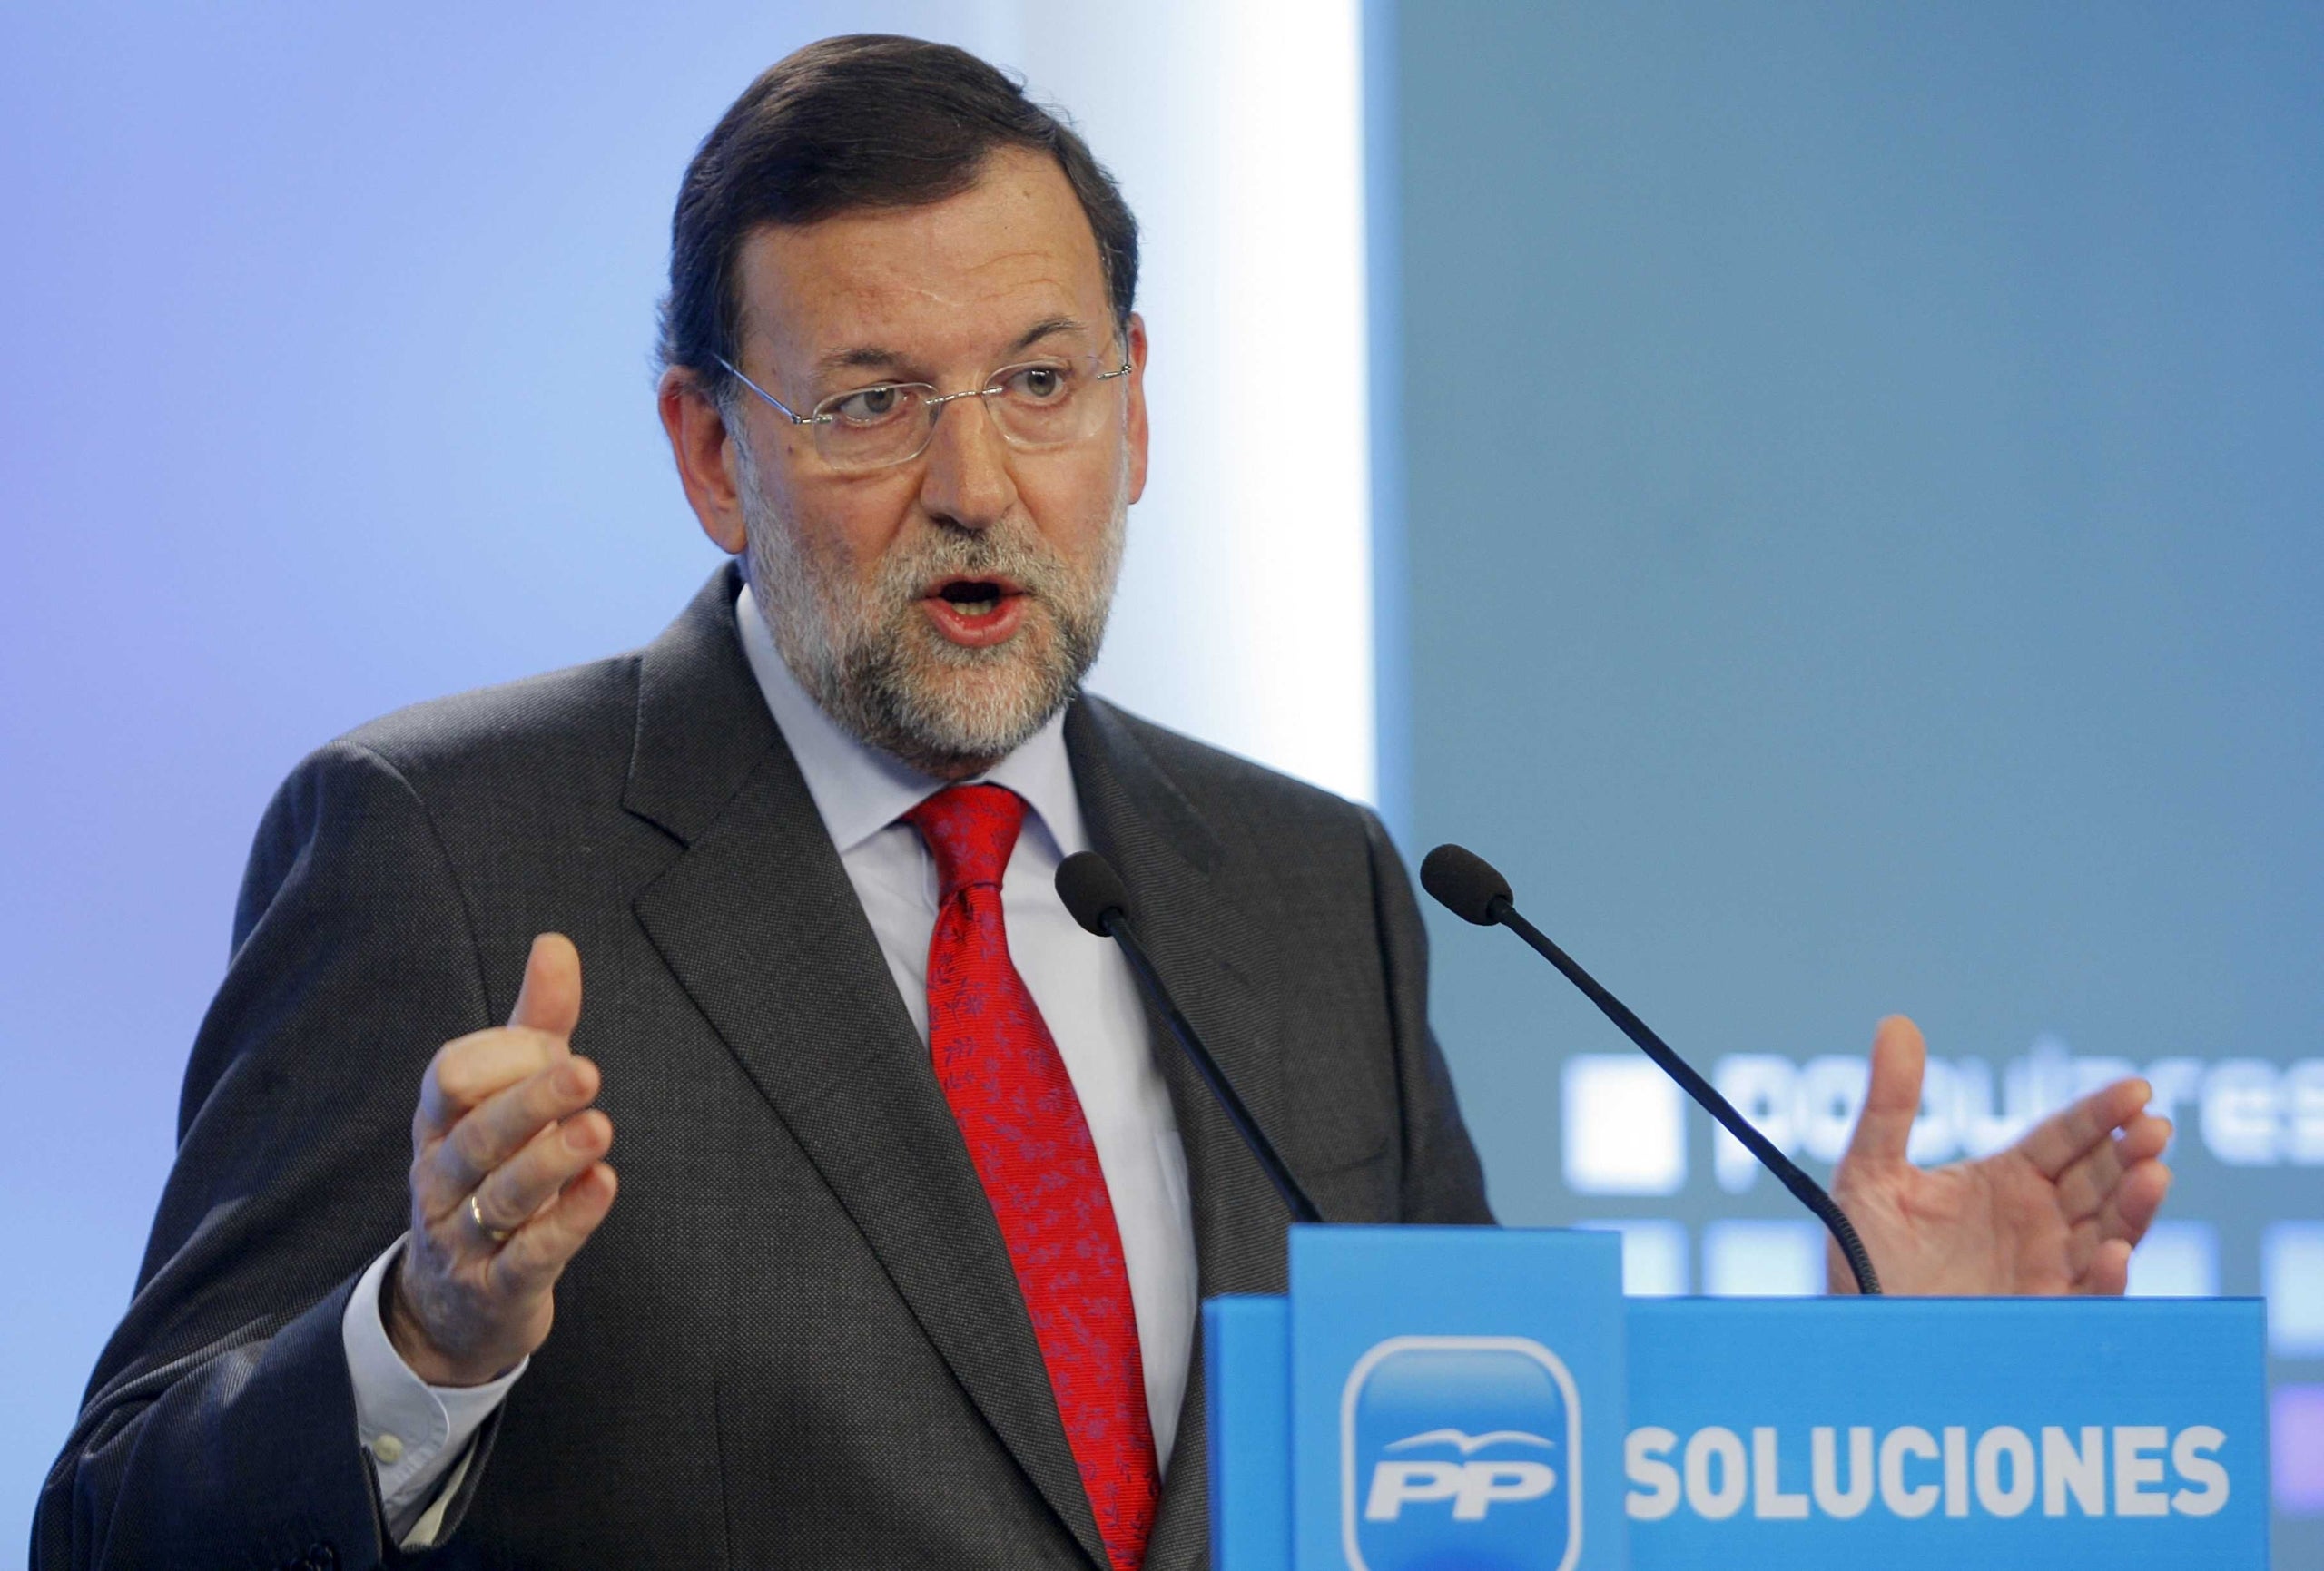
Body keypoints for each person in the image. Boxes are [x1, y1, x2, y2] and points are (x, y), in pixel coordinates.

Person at [34, 34, 2173, 1571]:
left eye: (1038, 383)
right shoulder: (438, 844)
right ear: (708, 452)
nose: (975, 481)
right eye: (871, 402)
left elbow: (1462, 1469)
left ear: (1133, 412)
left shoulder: (1307, 885)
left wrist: (1852, 1382)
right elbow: (113, 1516)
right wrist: (423, 1336)